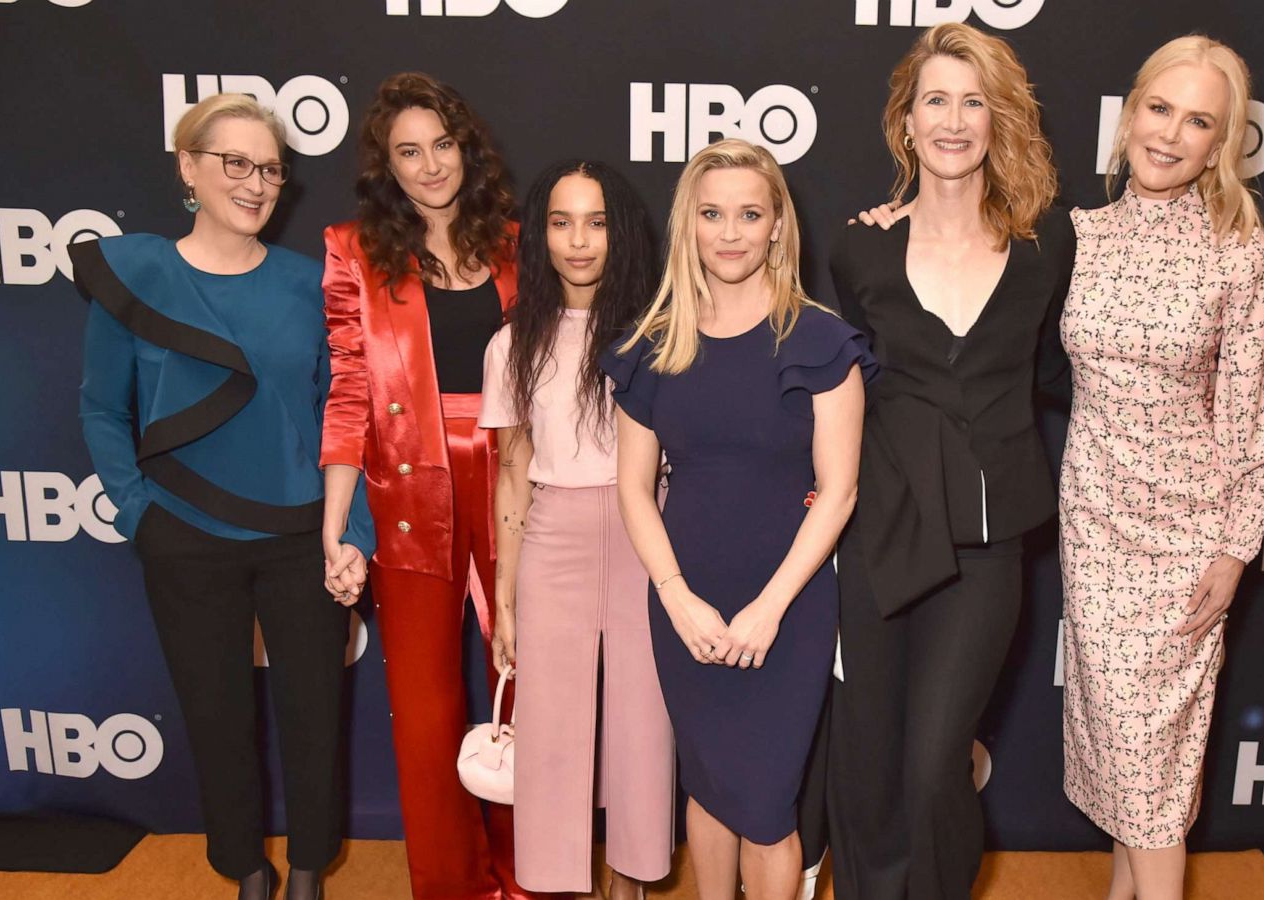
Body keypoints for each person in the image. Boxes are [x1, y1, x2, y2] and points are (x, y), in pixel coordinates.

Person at [73, 92, 372, 900]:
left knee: (315, 720)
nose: (254, 183)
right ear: (188, 167)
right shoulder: (136, 273)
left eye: (269, 169)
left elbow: (341, 418)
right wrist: (139, 513)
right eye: (234, 162)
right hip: (184, 536)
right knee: (215, 719)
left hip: (301, 535)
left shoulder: (312, 285)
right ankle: (246, 870)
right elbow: (103, 407)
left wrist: (355, 535)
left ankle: (308, 871)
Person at [827, 22, 1074, 900]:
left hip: (988, 549)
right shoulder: (857, 250)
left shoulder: (1048, 254)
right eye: (936, 100)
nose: (955, 120)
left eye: (974, 102)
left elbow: (1063, 375)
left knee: (936, 763)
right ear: (906, 122)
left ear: (998, 120)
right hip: (882, 536)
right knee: (869, 761)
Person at [601, 139, 874, 900]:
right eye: (713, 214)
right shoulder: (652, 347)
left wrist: (769, 609)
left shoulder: (822, 342)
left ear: (778, 226)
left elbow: (841, 490)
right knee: (710, 785)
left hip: (788, 604)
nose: (730, 232)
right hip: (685, 598)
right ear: (688, 225)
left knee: (765, 808)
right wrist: (676, 596)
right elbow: (632, 489)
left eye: (750, 214)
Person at [1058, 35, 1264, 900]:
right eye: (1160, 109)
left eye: (1200, 122)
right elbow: (960, 257)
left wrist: (1232, 552)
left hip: (1185, 545)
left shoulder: (1236, 249)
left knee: (1152, 776)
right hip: (1094, 526)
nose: (1171, 135)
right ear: (1129, 113)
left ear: (1220, 144)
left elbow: (1254, 413)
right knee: (1128, 768)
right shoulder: (1078, 236)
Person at [317, 72, 540, 900]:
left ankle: (533, 877)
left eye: (442, 145)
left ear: (465, 148)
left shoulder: (521, 242)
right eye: (408, 151)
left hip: (518, 479)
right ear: (388, 165)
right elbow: (347, 390)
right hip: (407, 488)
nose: (430, 165)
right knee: (424, 711)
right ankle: (452, 885)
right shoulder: (353, 249)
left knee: (527, 685)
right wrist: (336, 527)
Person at [480, 161, 673, 899]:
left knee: (643, 726)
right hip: (552, 534)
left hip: (642, 530)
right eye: (561, 222)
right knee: (552, 734)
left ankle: (631, 884)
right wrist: (505, 593)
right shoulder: (512, 345)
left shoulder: (661, 334)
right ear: (539, 237)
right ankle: (563, 887)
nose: (578, 240)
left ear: (620, 232)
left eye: (595, 222)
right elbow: (511, 472)